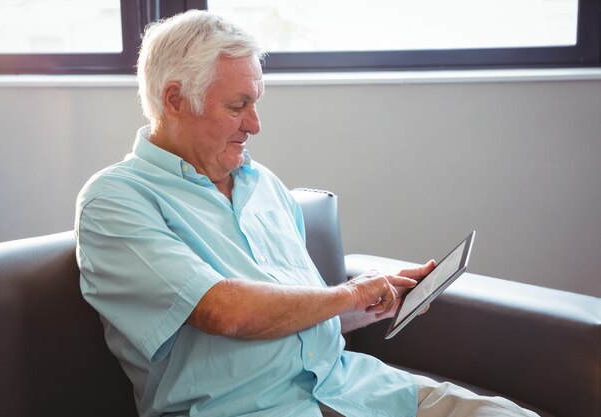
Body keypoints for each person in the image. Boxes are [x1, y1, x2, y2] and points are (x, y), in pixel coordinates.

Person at [75, 10, 539, 417]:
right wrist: (352, 292)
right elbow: (224, 312)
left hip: (352, 389)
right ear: (174, 100)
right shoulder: (116, 200)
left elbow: (302, 316)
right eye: (237, 106)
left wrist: (376, 303)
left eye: (255, 103)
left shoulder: (265, 186)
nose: (254, 125)